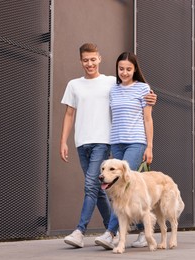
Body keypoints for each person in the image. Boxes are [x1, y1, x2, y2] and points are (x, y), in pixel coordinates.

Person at [60, 43, 156, 248]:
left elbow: (146, 110)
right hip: (106, 142)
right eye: (85, 60)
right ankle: (131, 229)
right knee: (106, 189)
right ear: (81, 61)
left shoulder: (118, 83)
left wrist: (149, 146)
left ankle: (94, 232)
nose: (89, 63)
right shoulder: (112, 86)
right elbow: (69, 113)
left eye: (93, 59)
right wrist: (63, 141)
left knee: (95, 186)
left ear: (99, 59)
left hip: (120, 141)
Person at [94, 51, 153, 250]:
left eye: (128, 69)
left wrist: (149, 146)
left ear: (135, 69)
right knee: (124, 191)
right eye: (121, 69)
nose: (124, 72)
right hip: (116, 143)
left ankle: (110, 233)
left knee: (122, 190)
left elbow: (147, 119)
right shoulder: (114, 89)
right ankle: (143, 231)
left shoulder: (144, 88)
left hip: (136, 142)